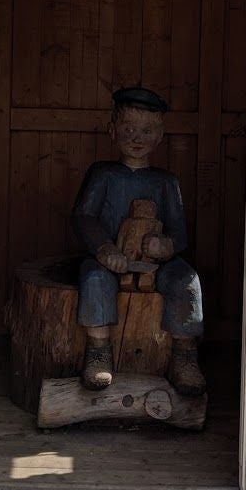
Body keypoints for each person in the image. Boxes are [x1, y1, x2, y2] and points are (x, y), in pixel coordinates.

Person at [69, 86, 205, 397]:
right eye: (128, 128)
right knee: (93, 278)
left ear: (159, 136)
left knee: (187, 282)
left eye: (146, 130)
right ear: (112, 131)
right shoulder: (103, 174)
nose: (136, 137)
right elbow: (84, 217)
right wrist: (105, 249)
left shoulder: (165, 181)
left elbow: (180, 231)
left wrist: (166, 246)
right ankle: (99, 350)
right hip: (111, 256)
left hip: (158, 263)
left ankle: (184, 356)